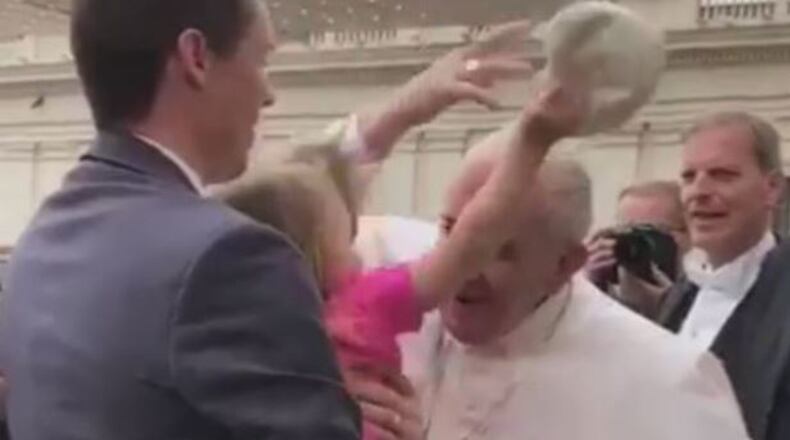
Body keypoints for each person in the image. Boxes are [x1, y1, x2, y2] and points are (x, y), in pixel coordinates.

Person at [0, 0, 532, 438]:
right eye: (261, 61)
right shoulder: (229, 256)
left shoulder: (47, 235)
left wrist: (410, 106)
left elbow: (296, 176)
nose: (270, 93)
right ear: (195, 58)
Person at [220, 81, 584, 439]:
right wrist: (531, 143)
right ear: (310, 256)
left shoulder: (237, 330)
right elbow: (473, 240)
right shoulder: (364, 303)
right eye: (347, 236)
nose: (360, 249)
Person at [389, 134, 750, 439]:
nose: (459, 265)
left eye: (500, 250)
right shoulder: (392, 306)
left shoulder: (670, 383)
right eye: (450, 230)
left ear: (564, 265)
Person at [658, 111, 786, 440]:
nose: (698, 191)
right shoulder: (680, 293)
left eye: (722, 175)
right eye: (689, 177)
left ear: (772, 188)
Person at [586, 180, 689, 318]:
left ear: (690, 234)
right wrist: (592, 287)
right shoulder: (605, 289)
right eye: (625, 231)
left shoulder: (703, 293)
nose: (635, 242)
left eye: (649, 232)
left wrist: (666, 305)